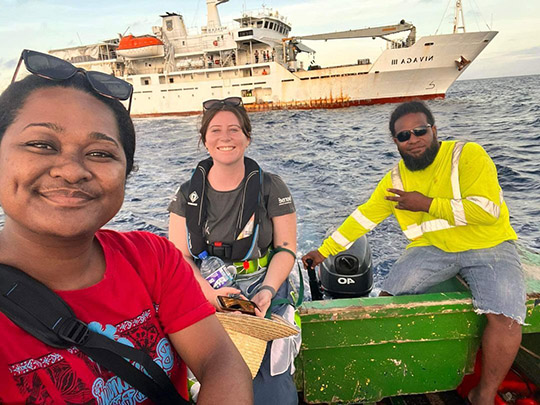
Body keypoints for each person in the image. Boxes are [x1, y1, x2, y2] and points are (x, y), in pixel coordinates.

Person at [0, 50, 253, 404]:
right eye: (41, 145)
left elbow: (220, 360)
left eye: (100, 153)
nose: (72, 170)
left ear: (125, 174)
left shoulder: (151, 258)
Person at [302, 101, 526, 405]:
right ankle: (382, 374)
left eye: (420, 131)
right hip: (432, 249)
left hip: (489, 244)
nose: (413, 139)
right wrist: (324, 251)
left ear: (434, 130)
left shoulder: (467, 155)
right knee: (385, 303)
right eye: (404, 136)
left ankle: (483, 394)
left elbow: (488, 211)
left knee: (507, 316)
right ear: (396, 143)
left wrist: (428, 203)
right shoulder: (395, 180)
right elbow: (365, 216)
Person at [168, 96, 299, 405]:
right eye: (215, 130)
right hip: (206, 292)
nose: (224, 137)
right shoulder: (187, 194)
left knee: (272, 391)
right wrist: (211, 296)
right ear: (204, 140)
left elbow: (286, 248)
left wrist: (267, 289)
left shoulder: (272, 186)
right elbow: (180, 256)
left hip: (263, 290)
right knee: (212, 382)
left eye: (234, 129)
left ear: (247, 137)